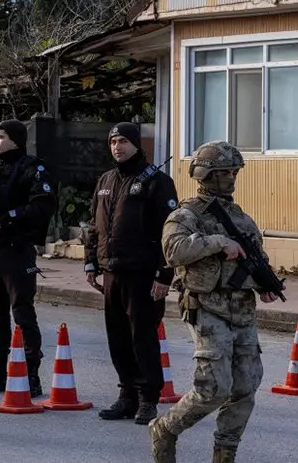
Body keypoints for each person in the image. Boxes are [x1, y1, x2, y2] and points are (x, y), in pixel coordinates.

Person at [149, 141, 279, 463]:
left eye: (235, 171)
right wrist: (218, 242)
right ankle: (165, 428)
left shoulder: (242, 218)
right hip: (207, 307)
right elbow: (173, 252)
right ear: (206, 174)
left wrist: (264, 283)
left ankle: (225, 453)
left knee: (246, 386)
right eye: (224, 172)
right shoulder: (186, 214)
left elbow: (255, 257)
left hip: (242, 310)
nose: (231, 177)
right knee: (213, 388)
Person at [85, 122, 178, 425]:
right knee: (118, 338)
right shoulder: (106, 180)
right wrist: (91, 262)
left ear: (137, 144)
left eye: (124, 141)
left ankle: (148, 399)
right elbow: (94, 226)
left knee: (143, 339)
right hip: (112, 272)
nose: (117, 147)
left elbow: (169, 232)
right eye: (113, 142)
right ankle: (127, 396)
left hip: (143, 275)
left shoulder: (157, 181)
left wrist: (165, 275)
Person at [0, 119, 57, 397]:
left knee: (23, 314)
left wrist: (11, 217)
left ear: (16, 139)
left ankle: (32, 375)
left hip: (17, 250)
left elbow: (43, 205)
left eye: (0, 137)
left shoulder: (33, 169)